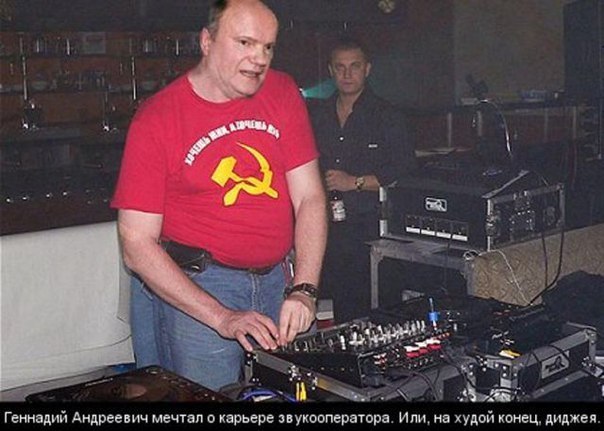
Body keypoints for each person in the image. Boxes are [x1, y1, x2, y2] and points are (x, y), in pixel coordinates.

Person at [111, 0, 327, 391]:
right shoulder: (158, 118)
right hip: (202, 286)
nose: (259, 58)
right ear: (207, 41)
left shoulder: (282, 92)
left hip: (280, 278)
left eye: (268, 46)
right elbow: (136, 244)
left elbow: (309, 197)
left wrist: (305, 288)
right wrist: (222, 317)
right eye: (245, 42)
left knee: (290, 396)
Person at [309, 37, 416, 323]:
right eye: (340, 67)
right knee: (334, 311)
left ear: (367, 69)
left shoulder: (387, 115)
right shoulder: (317, 114)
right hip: (326, 227)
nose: (347, 74)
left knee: (375, 311)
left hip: (371, 231)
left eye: (354, 66)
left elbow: (404, 170)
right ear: (331, 70)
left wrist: (354, 182)